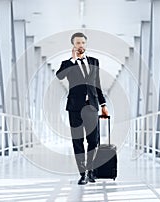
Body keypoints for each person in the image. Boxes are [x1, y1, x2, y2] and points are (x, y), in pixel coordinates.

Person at [56, 32, 108, 185]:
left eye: (83, 43)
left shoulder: (94, 61)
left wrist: (103, 104)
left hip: (92, 106)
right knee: (77, 141)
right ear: (73, 45)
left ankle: (91, 170)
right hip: (75, 108)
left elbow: (97, 84)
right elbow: (59, 76)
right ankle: (82, 173)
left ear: (86, 44)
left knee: (93, 140)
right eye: (77, 43)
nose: (80, 45)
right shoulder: (67, 63)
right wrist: (73, 60)